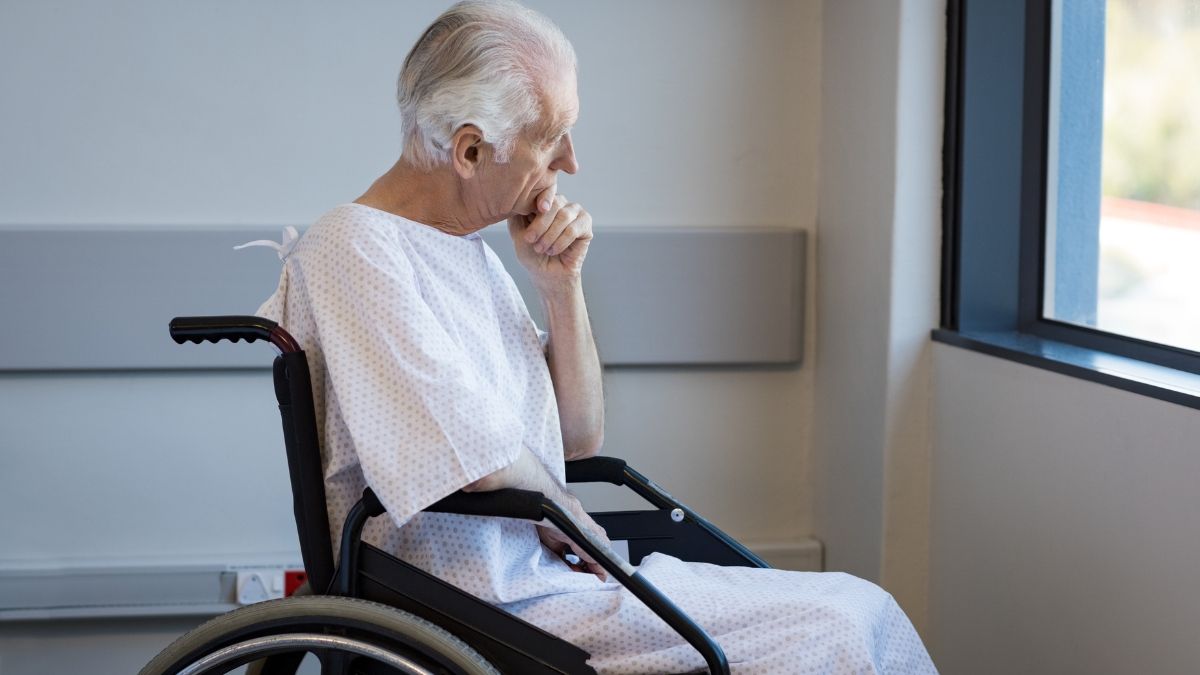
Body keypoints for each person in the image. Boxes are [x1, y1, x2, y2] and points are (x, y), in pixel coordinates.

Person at [251, 1, 936, 672]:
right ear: (469, 149)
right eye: (552, 137)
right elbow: (480, 458)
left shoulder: (468, 254)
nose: (572, 162)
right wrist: (566, 510)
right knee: (839, 624)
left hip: (548, 581)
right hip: (486, 602)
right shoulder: (355, 246)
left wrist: (559, 284)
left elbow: (576, 438)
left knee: (860, 608)